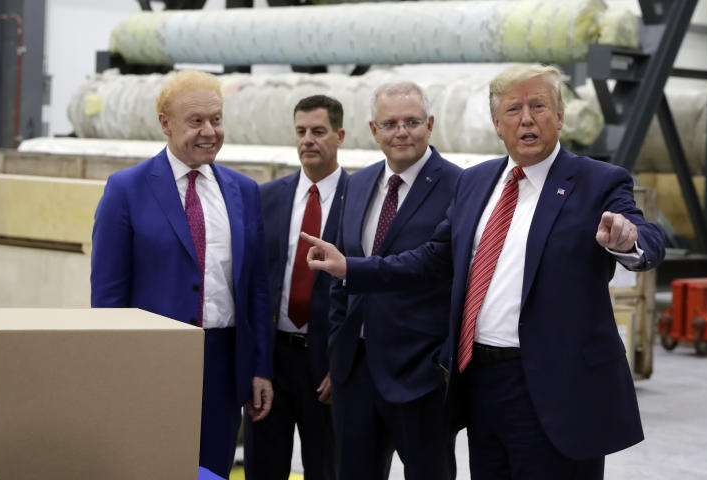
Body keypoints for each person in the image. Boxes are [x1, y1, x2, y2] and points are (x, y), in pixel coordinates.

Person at [304, 64, 665, 480]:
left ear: (561, 116)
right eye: (513, 109)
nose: (526, 118)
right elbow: (433, 258)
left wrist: (628, 241)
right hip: (482, 383)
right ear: (497, 123)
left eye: (539, 106)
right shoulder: (476, 182)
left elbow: (648, 239)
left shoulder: (596, 181)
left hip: (554, 388)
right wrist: (351, 266)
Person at [90, 69, 273, 478]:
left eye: (217, 119)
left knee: (212, 468)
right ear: (165, 124)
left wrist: (259, 367)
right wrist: (113, 370)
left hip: (224, 363)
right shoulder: (126, 190)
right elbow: (107, 296)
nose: (210, 131)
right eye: (196, 121)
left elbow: (257, 290)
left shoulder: (243, 192)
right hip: (151, 361)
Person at [328, 81, 461, 480]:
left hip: (421, 375)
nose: (400, 132)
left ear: (430, 124)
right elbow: (339, 269)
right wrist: (338, 347)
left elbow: (447, 269)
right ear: (373, 130)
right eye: (389, 124)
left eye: (411, 122)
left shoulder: (460, 186)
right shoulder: (356, 183)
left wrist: (441, 364)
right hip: (356, 371)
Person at [243, 95, 347, 480]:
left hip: (326, 367)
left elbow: (364, 293)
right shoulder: (267, 198)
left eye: (318, 132)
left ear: (339, 136)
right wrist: (257, 365)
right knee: (263, 467)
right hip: (273, 362)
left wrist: (342, 366)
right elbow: (253, 286)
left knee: (325, 468)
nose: (308, 140)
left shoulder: (358, 199)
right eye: (301, 132)